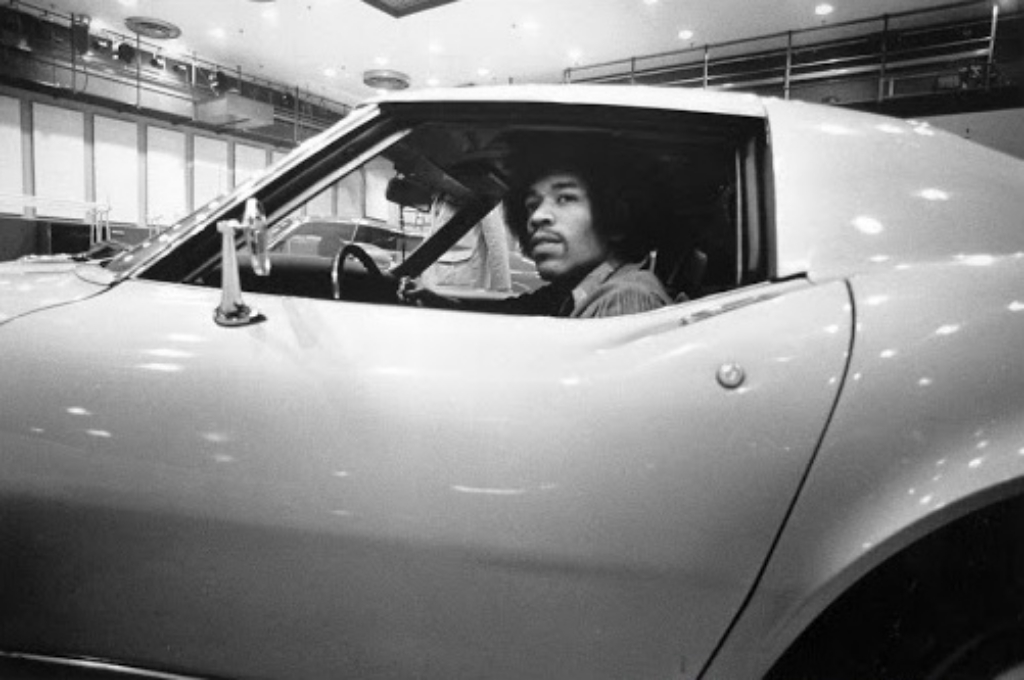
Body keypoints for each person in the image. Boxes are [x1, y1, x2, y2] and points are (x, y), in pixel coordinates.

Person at [400, 140, 672, 318]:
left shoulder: (626, 300)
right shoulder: (576, 287)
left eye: (565, 198)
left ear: (614, 215)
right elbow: (515, 310)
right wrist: (435, 301)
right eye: (531, 204)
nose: (538, 216)